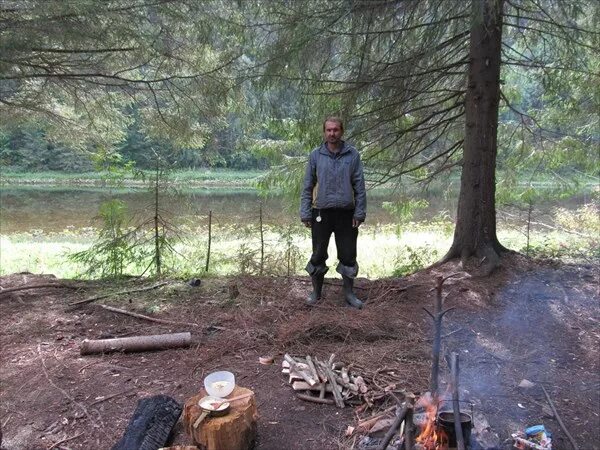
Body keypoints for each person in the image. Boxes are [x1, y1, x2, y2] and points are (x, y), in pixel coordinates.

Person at [300, 117, 366, 308]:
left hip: (347, 214)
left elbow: (359, 186)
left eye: (335, 130)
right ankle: (316, 292)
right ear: (324, 132)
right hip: (321, 212)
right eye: (328, 130)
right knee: (318, 253)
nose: (332, 133)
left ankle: (349, 294)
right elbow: (307, 185)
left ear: (341, 131)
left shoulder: (352, 155)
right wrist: (305, 213)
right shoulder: (316, 155)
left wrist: (359, 213)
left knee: (348, 254)